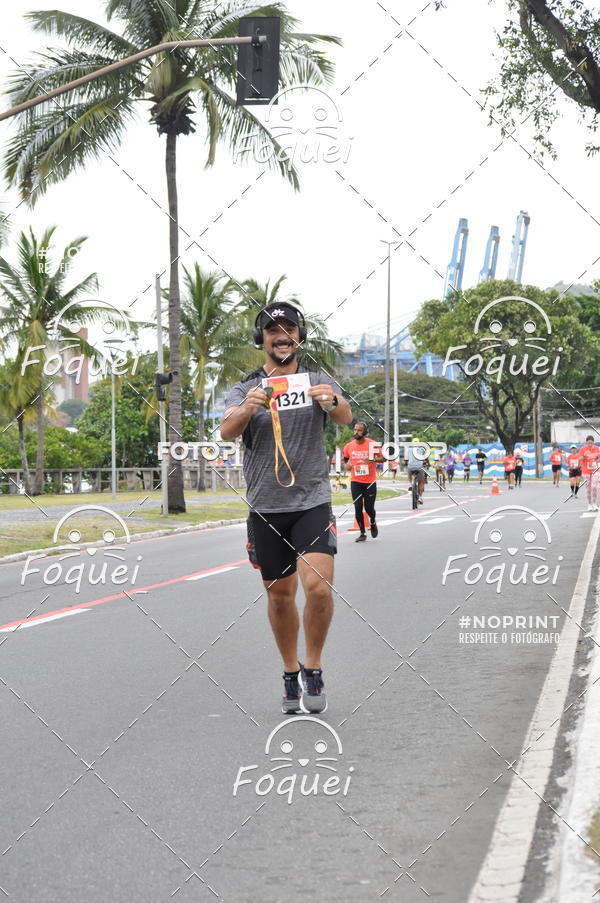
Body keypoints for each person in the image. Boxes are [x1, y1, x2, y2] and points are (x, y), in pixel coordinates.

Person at [221, 302, 352, 714]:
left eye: (289, 328)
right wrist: (249, 407)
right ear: (261, 339)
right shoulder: (244, 388)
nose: (282, 336)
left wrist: (330, 401)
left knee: (318, 587)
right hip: (265, 507)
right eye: (273, 329)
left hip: (311, 500)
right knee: (280, 597)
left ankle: (313, 666)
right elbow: (226, 430)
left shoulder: (316, 379)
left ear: (299, 337)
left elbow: (346, 417)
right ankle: (289, 672)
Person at [342, 422, 384, 542]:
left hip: (370, 481)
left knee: (369, 508)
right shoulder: (348, 446)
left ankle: (373, 522)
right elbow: (344, 460)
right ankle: (362, 533)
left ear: (365, 432)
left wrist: (372, 459)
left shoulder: (372, 444)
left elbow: (384, 458)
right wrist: (346, 465)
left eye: (359, 430)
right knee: (357, 507)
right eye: (355, 430)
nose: (356, 432)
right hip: (355, 481)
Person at [579, 435, 600, 511]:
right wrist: (584, 455)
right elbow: (579, 459)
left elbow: (598, 458)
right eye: (588, 443)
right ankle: (589, 504)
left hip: (595, 471)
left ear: (593, 442)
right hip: (586, 471)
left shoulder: (597, 448)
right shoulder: (583, 449)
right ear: (586, 442)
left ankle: (594, 503)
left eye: (591, 443)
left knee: (594, 487)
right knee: (588, 489)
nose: (590, 445)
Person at [405, 440, 429, 505]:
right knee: (421, 482)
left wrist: (406, 463)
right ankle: (420, 497)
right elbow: (426, 458)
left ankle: (410, 484)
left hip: (410, 467)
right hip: (419, 467)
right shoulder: (422, 449)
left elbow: (406, 459)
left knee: (409, 471)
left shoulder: (409, 449)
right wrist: (428, 463)